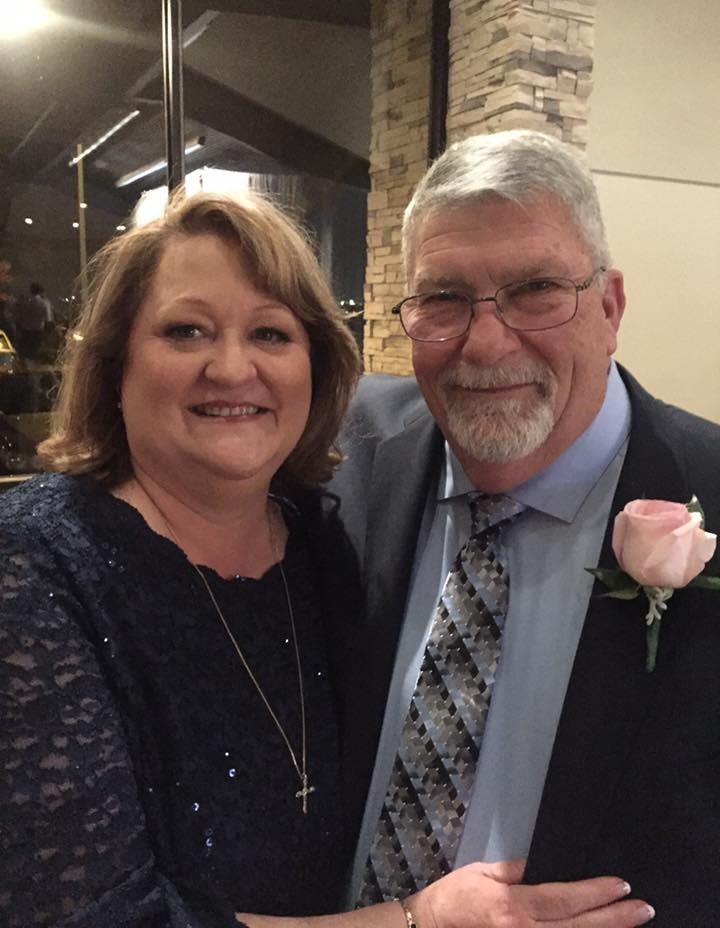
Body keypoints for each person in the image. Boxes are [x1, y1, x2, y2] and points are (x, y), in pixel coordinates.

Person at [0, 189, 648, 928]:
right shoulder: (34, 566)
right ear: (116, 366)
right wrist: (414, 922)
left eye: (271, 335)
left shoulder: (320, 533)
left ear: (316, 367)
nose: (232, 367)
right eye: (185, 332)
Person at [331, 130, 720, 927]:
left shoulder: (707, 488)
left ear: (609, 306)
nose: (485, 340)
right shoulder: (344, 455)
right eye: (442, 298)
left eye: (535, 288)